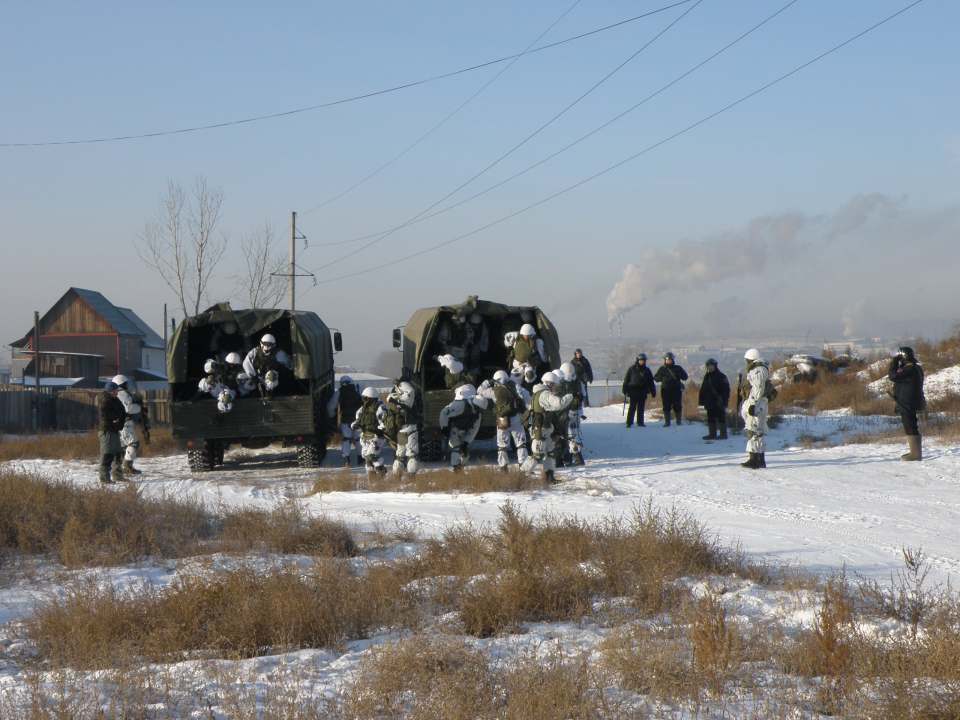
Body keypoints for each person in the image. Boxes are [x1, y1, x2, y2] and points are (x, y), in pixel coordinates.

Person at [520, 371, 573, 483]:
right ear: (549, 383)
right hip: (541, 430)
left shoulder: (537, 393)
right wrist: (569, 397)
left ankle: (549, 477)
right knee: (537, 455)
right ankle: (521, 476)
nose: (556, 387)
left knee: (551, 452)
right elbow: (558, 404)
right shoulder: (545, 394)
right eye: (555, 385)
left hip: (543, 429)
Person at [478, 370, 530, 472]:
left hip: (502, 418)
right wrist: (528, 410)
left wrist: (488, 382)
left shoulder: (493, 390)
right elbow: (526, 395)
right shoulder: (515, 386)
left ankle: (503, 468)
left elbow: (479, 391)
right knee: (520, 443)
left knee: (502, 445)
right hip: (515, 417)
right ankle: (523, 466)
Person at [438, 384, 488, 471]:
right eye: (479, 408)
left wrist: (466, 442)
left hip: (464, 431)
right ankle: (456, 469)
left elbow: (474, 429)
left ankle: (460, 467)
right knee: (456, 450)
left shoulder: (477, 415)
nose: (480, 411)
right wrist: (444, 427)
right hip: (453, 429)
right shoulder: (461, 406)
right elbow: (444, 412)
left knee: (465, 452)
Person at [889, 346, 925, 461]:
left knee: (910, 425)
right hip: (910, 401)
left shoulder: (909, 369)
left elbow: (893, 376)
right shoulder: (915, 368)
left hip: (907, 402)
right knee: (910, 425)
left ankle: (915, 454)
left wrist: (894, 362)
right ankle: (914, 452)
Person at [739, 349, 770, 469]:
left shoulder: (758, 370)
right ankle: (760, 459)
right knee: (758, 431)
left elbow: (758, 387)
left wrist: (753, 403)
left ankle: (754, 460)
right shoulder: (761, 369)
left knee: (753, 430)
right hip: (759, 402)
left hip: (757, 403)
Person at [326, 376, 364, 467]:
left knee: (346, 439)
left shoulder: (339, 391)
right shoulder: (358, 388)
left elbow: (330, 407)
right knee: (358, 439)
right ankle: (360, 457)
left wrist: (331, 416)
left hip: (345, 420)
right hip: (358, 419)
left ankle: (347, 460)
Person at [385, 381, 421, 475]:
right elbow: (410, 391)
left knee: (400, 455)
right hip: (410, 429)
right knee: (412, 455)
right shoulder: (406, 400)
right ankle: (412, 475)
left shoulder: (393, 400)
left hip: (400, 431)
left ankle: (397, 475)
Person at [111, 375, 143, 476]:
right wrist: (139, 408)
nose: (127, 385)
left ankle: (119, 469)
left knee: (123, 446)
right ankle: (128, 467)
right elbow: (128, 408)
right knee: (133, 443)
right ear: (122, 383)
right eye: (125, 383)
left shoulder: (116, 393)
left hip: (121, 423)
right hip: (125, 423)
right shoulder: (122, 393)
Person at [352, 386, 388, 475]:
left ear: (370, 398)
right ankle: (372, 477)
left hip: (376, 437)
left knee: (371, 456)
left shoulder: (380, 408)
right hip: (365, 436)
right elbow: (358, 419)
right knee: (367, 459)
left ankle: (382, 471)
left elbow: (385, 422)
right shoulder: (363, 409)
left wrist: (380, 431)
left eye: (365, 398)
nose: (364, 400)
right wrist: (355, 425)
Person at [97, 381, 127, 484]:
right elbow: (104, 412)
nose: (118, 391)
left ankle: (117, 475)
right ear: (111, 390)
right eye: (116, 389)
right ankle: (104, 478)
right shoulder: (105, 399)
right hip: (107, 431)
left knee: (118, 453)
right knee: (107, 454)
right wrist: (114, 418)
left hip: (114, 430)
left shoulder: (112, 398)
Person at [559, 362, 586, 466]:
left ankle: (577, 458)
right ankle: (570, 458)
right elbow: (583, 395)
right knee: (574, 433)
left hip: (568, 412)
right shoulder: (577, 381)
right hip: (578, 411)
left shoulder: (563, 382)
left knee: (570, 436)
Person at [504, 322, 545, 389]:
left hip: (529, 363)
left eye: (528, 335)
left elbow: (543, 355)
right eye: (524, 335)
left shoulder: (537, 341)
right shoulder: (516, 336)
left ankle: (528, 387)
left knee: (530, 377)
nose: (526, 337)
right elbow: (507, 336)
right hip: (517, 363)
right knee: (513, 382)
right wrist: (508, 346)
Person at [698, 359, 731, 441]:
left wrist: (724, 401)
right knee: (710, 417)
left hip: (718, 401)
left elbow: (726, 390)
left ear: (715, 366)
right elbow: (703, 389)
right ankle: (712, 434)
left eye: (711, 366)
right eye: (708, 366)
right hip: (709, 401)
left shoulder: (721, 376)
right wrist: (701, 400)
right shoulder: (707, 376)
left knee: (720, 417)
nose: (710, 368)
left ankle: (723, 434)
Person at [654, 352, 688, 426]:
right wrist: (661, 375)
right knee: (666, 407)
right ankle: (667, 422)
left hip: (676, 391)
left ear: (673, 360)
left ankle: (678, 422)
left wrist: (680, 374)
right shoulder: (662, 369)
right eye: (667, 360)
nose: (669, 361)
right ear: (665, 360)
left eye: (670, 360)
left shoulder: (678, 368)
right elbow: (656, 379)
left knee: (677, 406)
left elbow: (685, 377)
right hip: (665, 391)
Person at [622, 354, 656, 428]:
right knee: (632, 408)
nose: (642, 362)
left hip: (643, 392)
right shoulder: (632, 369)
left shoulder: (647, 370)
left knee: (641, 408)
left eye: (643, 361)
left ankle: (640, 422)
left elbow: (651, 382)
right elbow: (626, 379)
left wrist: (653, 391)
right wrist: (624, 389)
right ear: (637, 361)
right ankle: (629, 423)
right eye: (641, 361)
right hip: (633, 391)